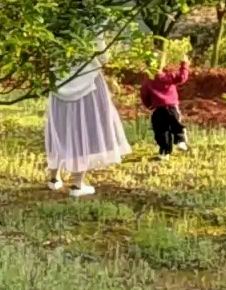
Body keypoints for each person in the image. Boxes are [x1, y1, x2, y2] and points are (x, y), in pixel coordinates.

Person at [45, 47, 131, 196]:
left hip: (60, 77)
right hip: (88, 77)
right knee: (84, 125)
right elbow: (103, 55)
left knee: (59, 125)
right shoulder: (92, 30)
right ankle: (77, 184)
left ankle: (53, 178)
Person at [139, 58, 191, 157]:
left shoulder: (147, 83)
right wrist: (184, 64)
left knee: (161, 131)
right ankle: (180, 140)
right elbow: (182, 77)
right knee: (176, 125)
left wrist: (149, 105)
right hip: (171, 107)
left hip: (158, 110)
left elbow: (144, 96)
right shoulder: (169, 77)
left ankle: (164, 151)